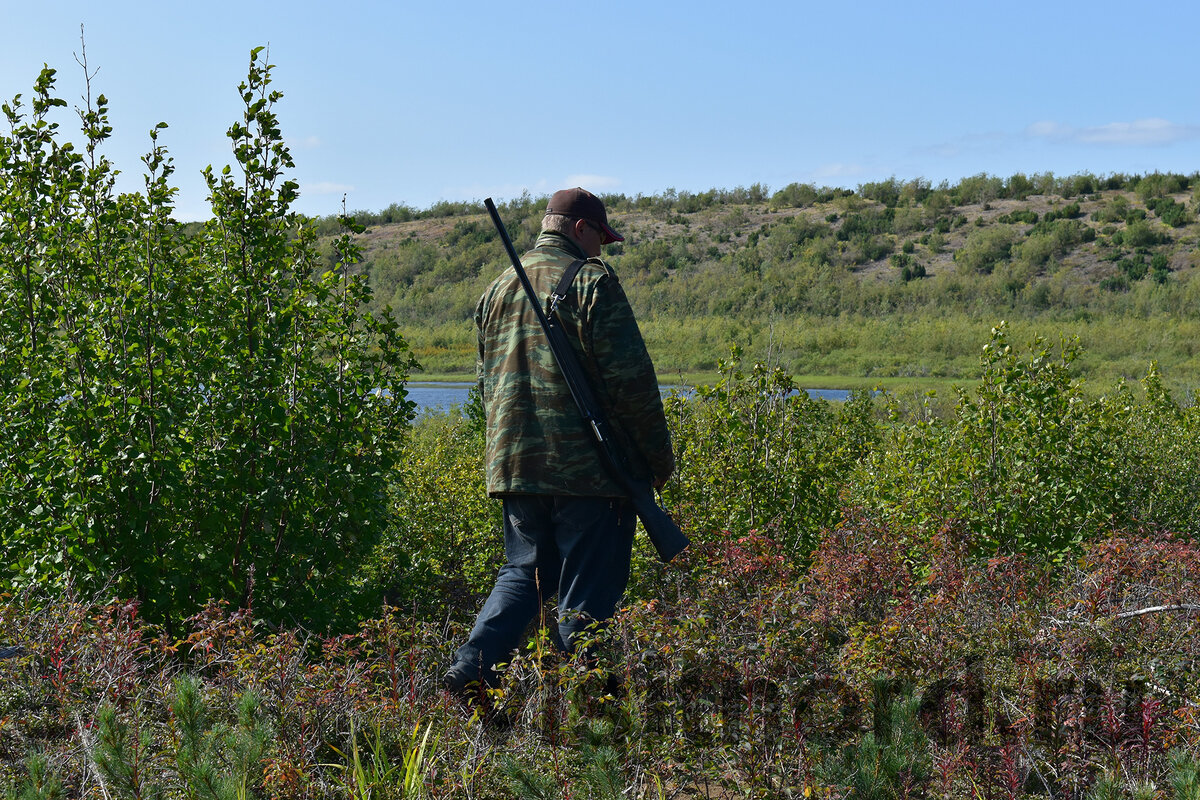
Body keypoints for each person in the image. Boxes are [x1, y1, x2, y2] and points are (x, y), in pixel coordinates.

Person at [445, 187, 674, 695]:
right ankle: (588, 713)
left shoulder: (498, 289)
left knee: (522, 574)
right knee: (585, 601)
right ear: (579, 229)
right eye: (600, 239)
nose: (602, 250)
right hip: (591, 476)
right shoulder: (593, 283)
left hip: (516, 471)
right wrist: (658, 461)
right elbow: (632, 383)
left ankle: (465, 675)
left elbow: (487, 387)